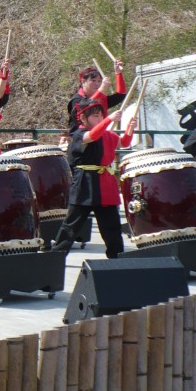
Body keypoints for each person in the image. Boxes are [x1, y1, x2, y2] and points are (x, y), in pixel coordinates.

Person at [52, 94, 137, 258]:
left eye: (101, 115)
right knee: (70, 229)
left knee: (112, 229)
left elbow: (123, 143)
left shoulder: (107, 134)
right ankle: (54, 261)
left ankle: (117, 262)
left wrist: (130, 129)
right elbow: (92, 136)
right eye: (95, 115)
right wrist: (109, 120)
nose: (100, 118)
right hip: (85, 184)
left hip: (105, 185)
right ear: (83, 118)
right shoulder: (79, 135)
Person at [66, 59, 127, 134]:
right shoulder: (76, 100)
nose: (97, 84)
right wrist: (102, 89)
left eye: (99, 81)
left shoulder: (101, 99)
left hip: (98, 136)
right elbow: (86, 107)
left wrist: (118, 73)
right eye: (93, 80)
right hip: (81, 139)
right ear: (83, 81)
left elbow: (121, 95)